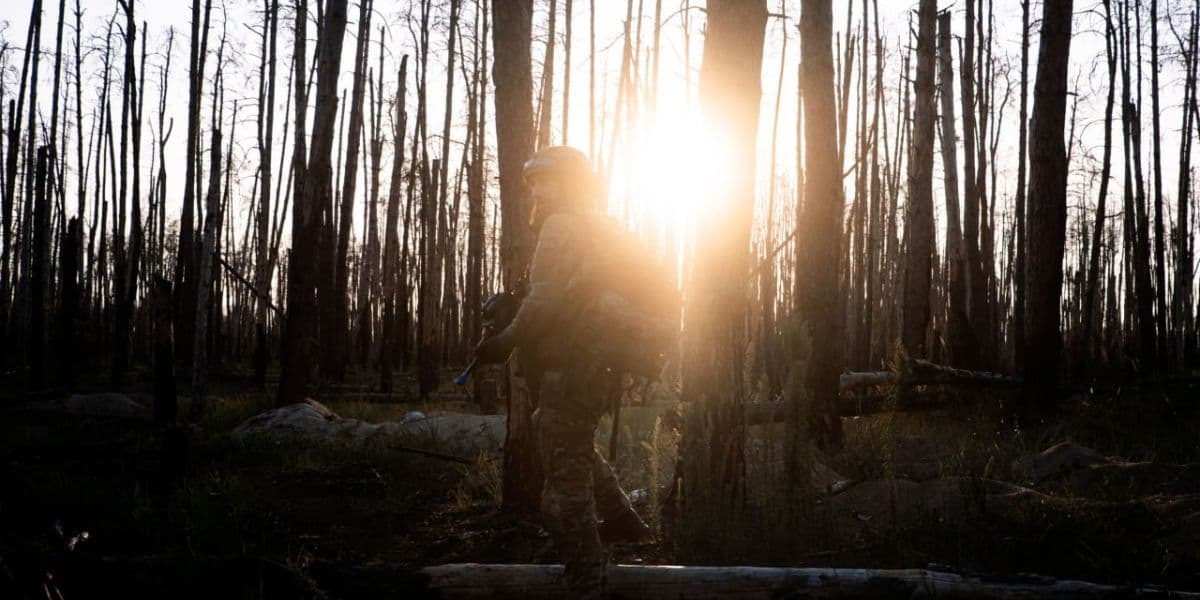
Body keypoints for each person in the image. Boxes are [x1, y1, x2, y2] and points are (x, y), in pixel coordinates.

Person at [473, 146, 651, 599]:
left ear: (567, 182)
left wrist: (502, 343)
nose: (534, 189)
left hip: (569, 370)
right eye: (532, 181)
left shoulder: (560, 226)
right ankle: (622, 520)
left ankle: (587, 583)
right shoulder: (591, 229)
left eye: (543, 180)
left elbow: (544, 302)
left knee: (561, 497)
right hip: (587, 370)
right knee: (555, 434)